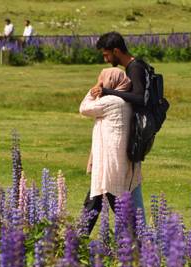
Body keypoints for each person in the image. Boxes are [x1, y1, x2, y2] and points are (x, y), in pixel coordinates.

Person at [92, 31, 147, 216]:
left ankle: (139, 234)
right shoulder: (133, 67)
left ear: (116, 51)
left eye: (107, 55)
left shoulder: (134, 68)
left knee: (126, 184)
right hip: (135, 134)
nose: (106, 59)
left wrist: (108, 92)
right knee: (132, 184)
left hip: (136, 135)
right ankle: (141, 234)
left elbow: (139, 98)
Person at [79, 68, 141, 234]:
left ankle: (137, 241)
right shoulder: (125, 101)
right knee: (97, 197)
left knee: (110, 198)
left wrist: (94, 90)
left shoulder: (112, 101)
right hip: (116, 159)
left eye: (102, 80)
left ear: (111, 81)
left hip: (109, 161)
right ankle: (78, 240)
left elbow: (84, 108)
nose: (101, 83)